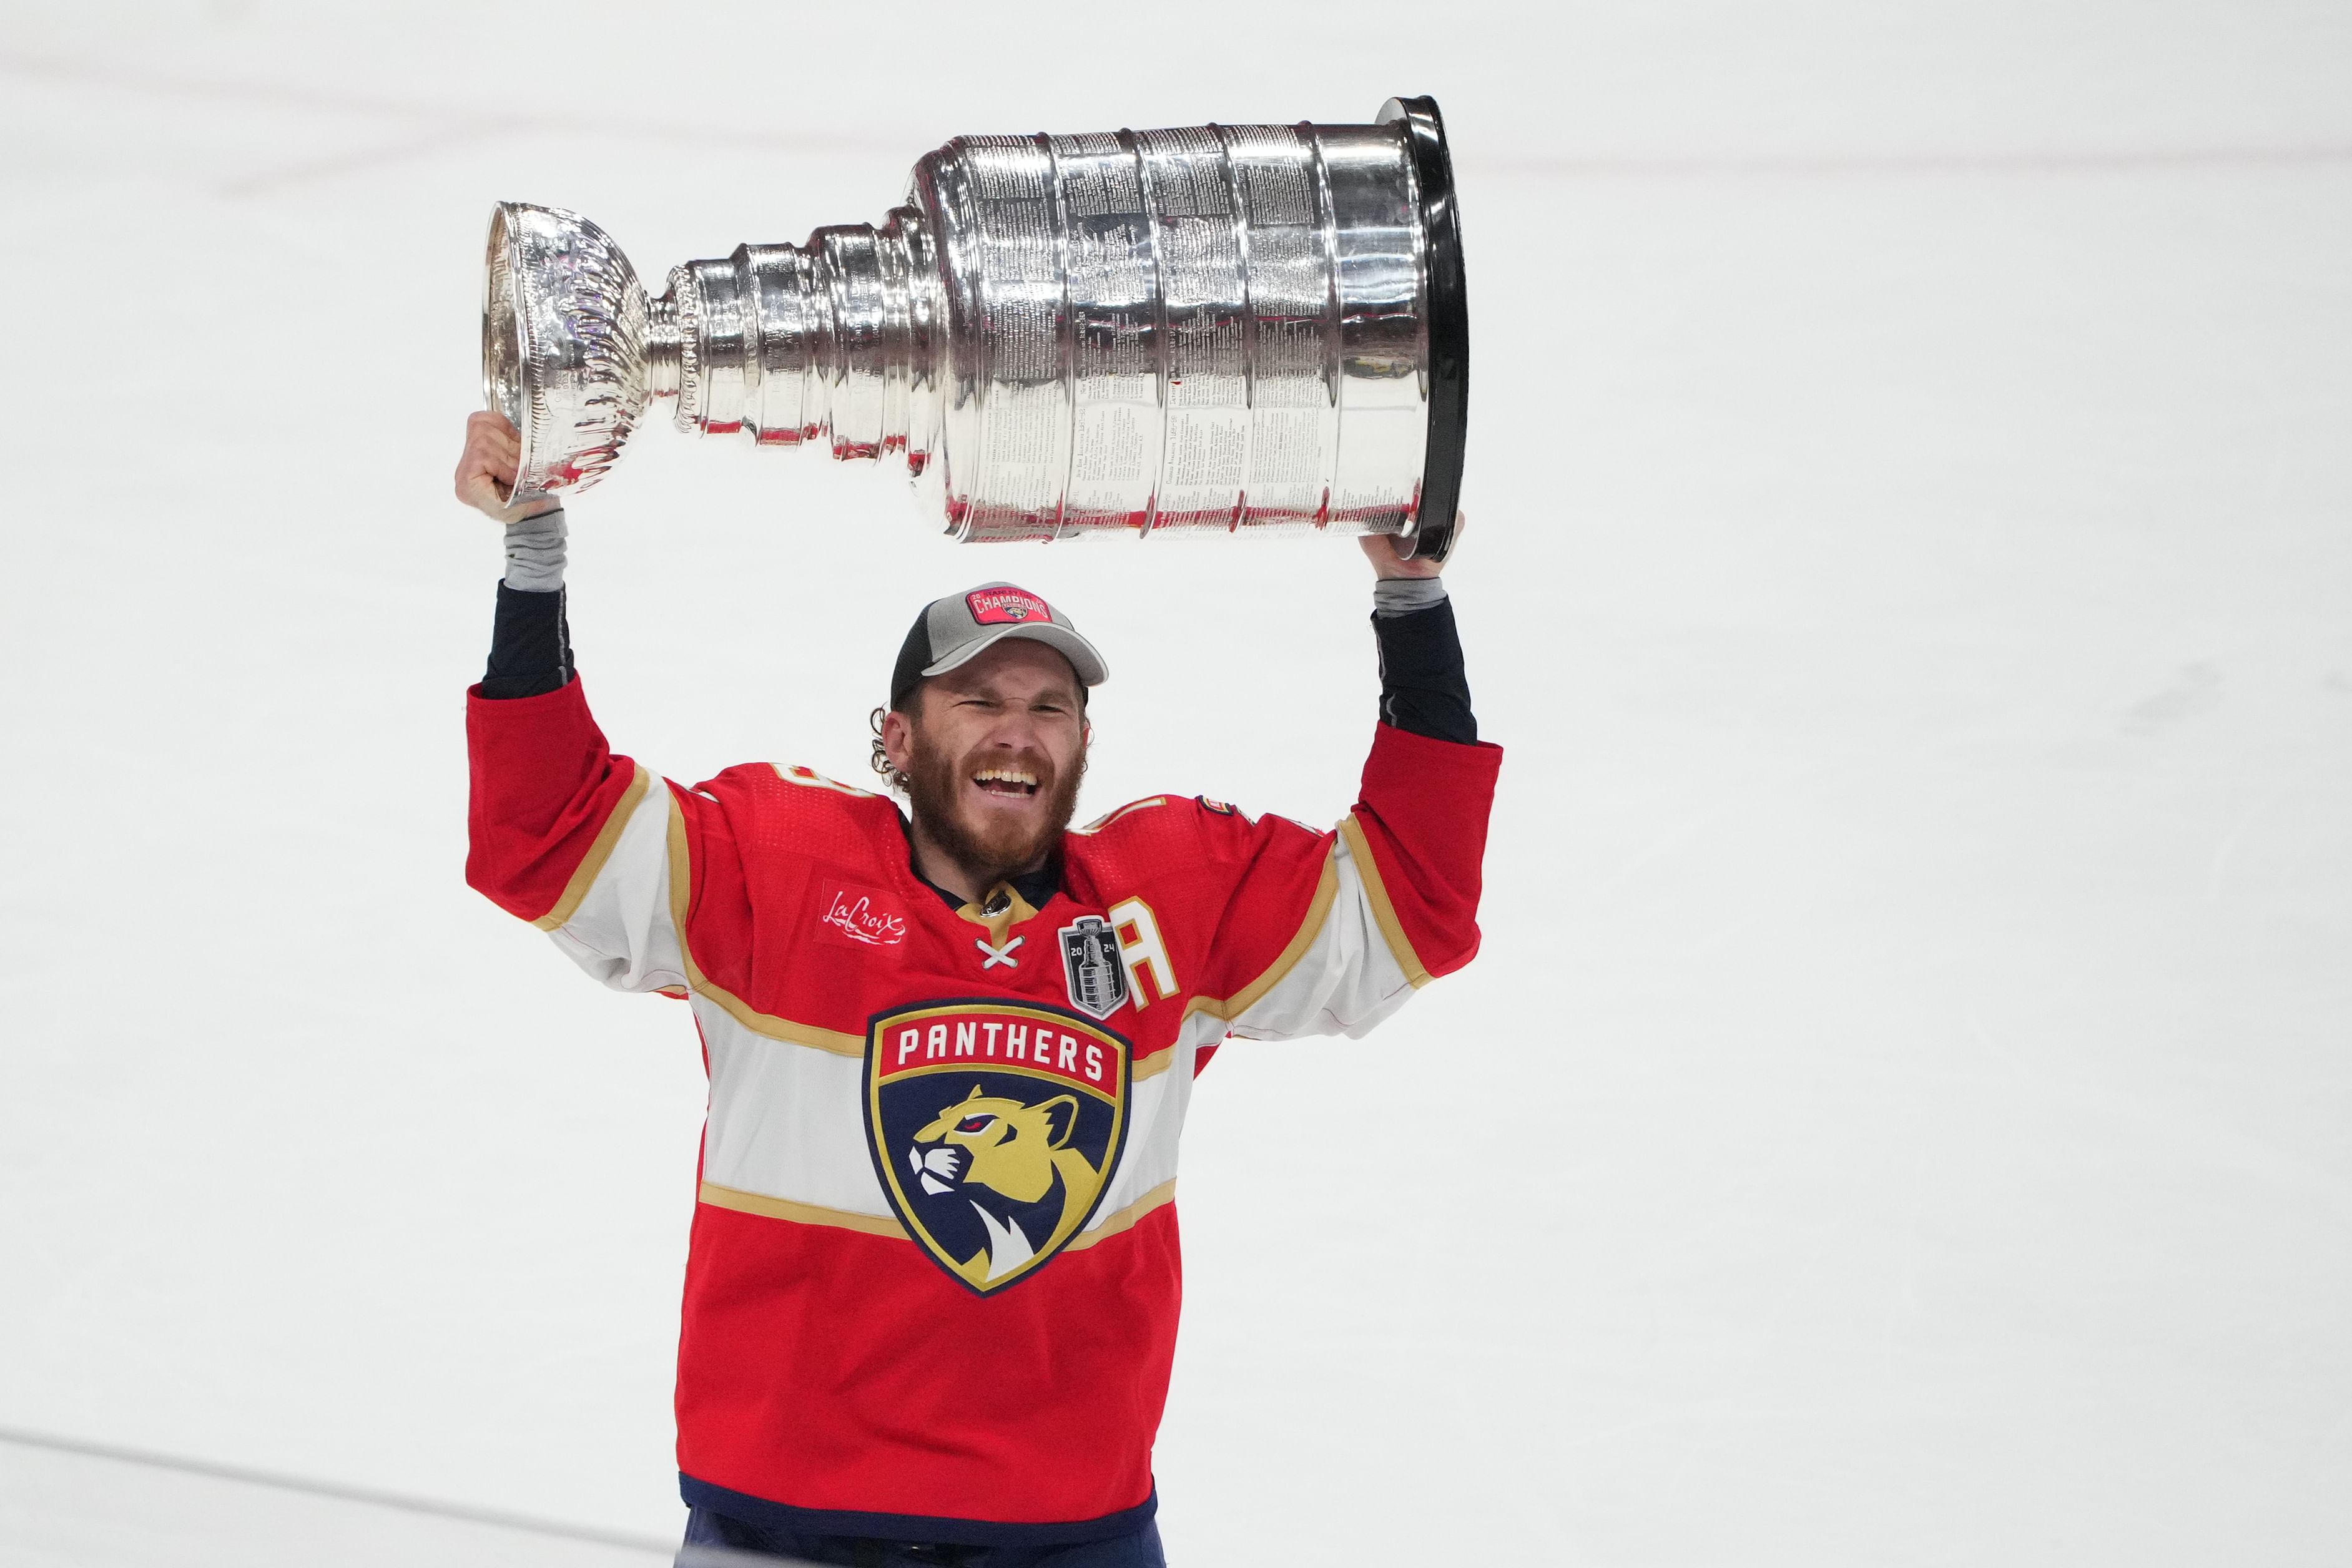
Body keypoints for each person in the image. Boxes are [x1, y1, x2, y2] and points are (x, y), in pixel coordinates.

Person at [453, 410, 1502, 1566]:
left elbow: (1409, 907)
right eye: (979, 702)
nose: (1019, 733)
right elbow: (547, 833)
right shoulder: (776, 872)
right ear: (897, 740)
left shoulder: (1171, 901)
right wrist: (534, 551)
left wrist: (1412, 603)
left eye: (1051, 708)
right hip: (784, 1530)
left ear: (1084, 744)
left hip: (1069, 1535)